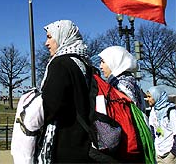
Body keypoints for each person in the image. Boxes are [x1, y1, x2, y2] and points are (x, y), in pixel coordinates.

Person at [37, 20, 92, 163]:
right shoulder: (84, 63)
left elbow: (51, 107)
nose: (46, 43)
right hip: (85, 142)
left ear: (63, 36)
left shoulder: (60, 64)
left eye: (49, 37)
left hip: (65, 144)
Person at [99, 46, 146, 112]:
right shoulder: (129, 82)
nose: (100, 66)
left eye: (103, 62)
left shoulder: (121, 85)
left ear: (114, 62)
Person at [146, 86, 176, 164]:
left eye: (149, 97)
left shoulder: (171, 112)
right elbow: (153, 132)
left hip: (169, 155)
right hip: (158, 153)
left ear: (157, 95)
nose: (147, 99)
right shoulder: (153, 112)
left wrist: (173, 153)